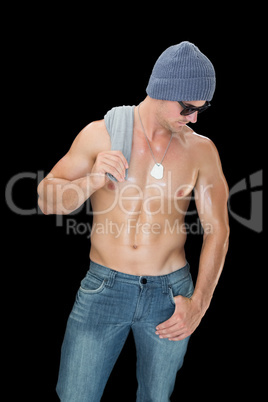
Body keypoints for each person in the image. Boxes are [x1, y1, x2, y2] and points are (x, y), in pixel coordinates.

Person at [38, 41, 229, 401]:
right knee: (75, 395)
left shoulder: (202, 150)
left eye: (202, 109)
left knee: (157, 397)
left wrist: (199, 304)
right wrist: (92, 179)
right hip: (104, 288)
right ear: (162, 91)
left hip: (171, 293)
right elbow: (46, 200)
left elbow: (218, 229)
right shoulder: (101, 134)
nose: (194, 118)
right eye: (188, 108)